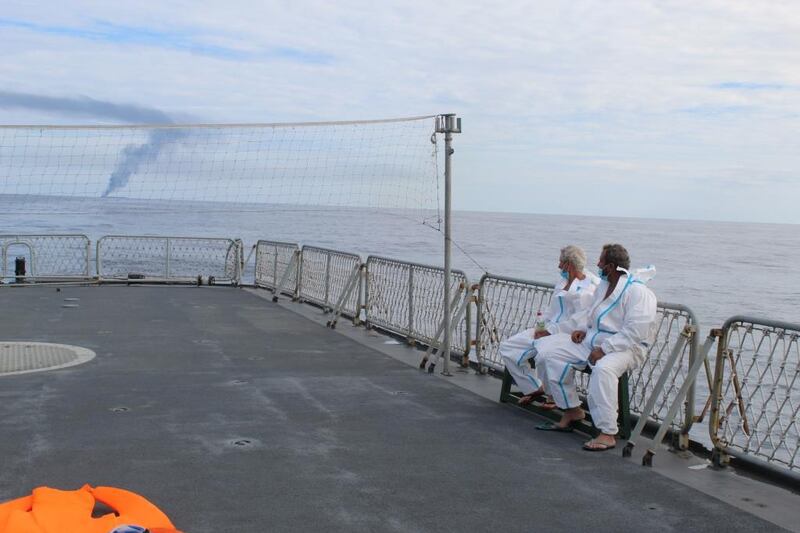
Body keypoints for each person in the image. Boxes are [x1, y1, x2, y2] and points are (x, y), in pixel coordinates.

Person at [535, 243, 657, 452]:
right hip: (593, 340)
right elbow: (591, 311)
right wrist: (582, 328)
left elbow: (635, 331)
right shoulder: (603, 285)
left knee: (603, 370)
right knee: (548, 352)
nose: (597, 265)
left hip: (626, 348)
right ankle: (572, 409)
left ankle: (608, 432)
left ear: (610, 266)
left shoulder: (638, 292)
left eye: (601, 261)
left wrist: (605, 349)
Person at [499, 245, 599, 406]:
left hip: (565, 335)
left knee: (544, 356)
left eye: (561, 262)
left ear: (569, 265)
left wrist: (550, 331)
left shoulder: (588, 288)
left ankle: (553, 396)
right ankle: (534, 388)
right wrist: (540, 327)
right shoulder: (562, 281)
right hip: (547, 329)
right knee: (508, 347)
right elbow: (551, 308)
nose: (559, 266)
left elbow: (579, 321)